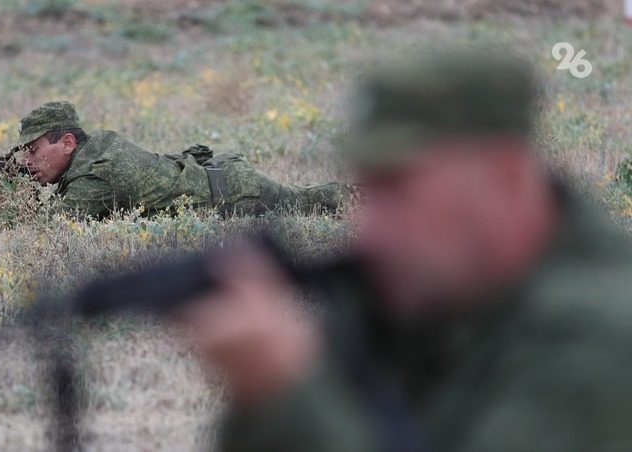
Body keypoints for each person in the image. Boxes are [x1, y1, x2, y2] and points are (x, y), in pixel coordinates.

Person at [177, 51, 632, 451]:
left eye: (398, 190)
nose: (368, 228)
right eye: (366, 190)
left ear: (505, 179)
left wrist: (284, 393)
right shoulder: (460, 295)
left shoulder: (601, 337)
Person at [0, 101, 346, 218]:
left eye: (35, 151)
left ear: (68, 142)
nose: (29, 161)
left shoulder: (99, 176)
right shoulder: (96, 146)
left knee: (316, 203)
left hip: (235, 194)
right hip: (217, 173)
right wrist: (9, 180)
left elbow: (43, 230)